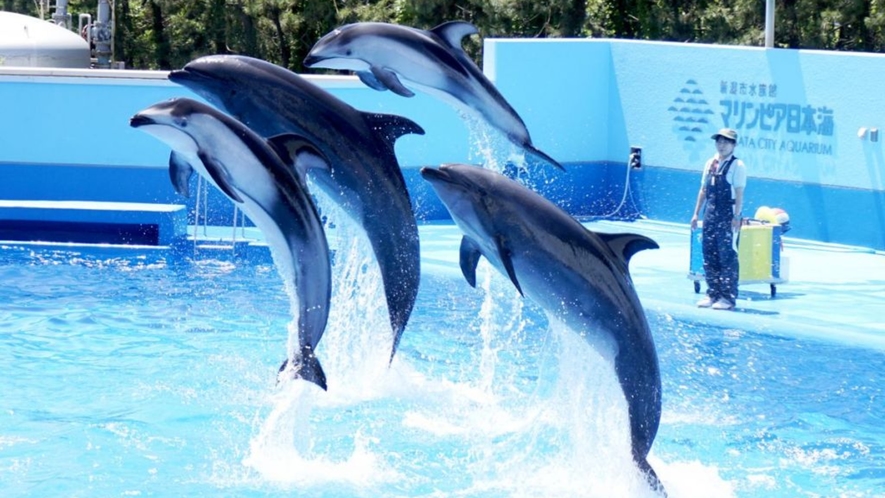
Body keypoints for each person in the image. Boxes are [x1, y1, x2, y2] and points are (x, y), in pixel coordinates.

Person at [690, 128, 747, 310]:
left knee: (726, 256)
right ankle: (712, 293)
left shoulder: (737, 166)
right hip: (710, 214)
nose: (721, 145)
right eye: (719, 142)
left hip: (727, 215)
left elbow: (739, 193)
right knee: (709, 254)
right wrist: (696, 214)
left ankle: (727, 297)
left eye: (726, 142)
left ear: (733, 145)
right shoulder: (710, 163)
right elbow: (703, 190)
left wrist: (737, 216)